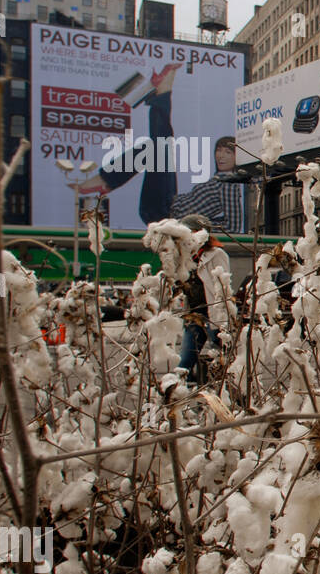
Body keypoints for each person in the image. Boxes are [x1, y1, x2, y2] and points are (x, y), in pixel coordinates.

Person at [69, 63, 184, 226]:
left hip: (162, 213)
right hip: (168, 211)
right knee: (157, 148)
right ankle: (163, 93)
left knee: (158, 147)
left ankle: (163, 92)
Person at [175, 214, 234, 384]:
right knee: (185, 361)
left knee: (220, 359)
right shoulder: (185, 257)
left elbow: (223, 286)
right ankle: (177, 396)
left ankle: (223, 395)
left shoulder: (216, 254)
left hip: (213, 315)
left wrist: (223, 316)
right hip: (194, 316)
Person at [169, 136, 247, 233]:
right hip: (170, 206)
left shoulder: (229, 184)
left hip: (170, 215)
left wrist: (196, 227)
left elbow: (232, 227)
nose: (221, 156)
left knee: (162, 146)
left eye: (228, 152)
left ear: (237, 157)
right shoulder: (219, 179)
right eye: (219, 150)